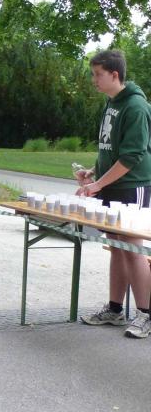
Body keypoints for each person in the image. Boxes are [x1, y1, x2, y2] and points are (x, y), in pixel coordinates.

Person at [75, 49, 151, 338]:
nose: (94, 80)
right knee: (116, 248)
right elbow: (109, 149)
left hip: (133, 186)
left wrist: (96, 186)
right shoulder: (111, 103)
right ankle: (115, 310)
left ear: (114, 74)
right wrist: (93, 172)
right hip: (112, 186)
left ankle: (146, 315)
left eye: (98, 74)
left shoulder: (136, 106)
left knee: (134, 250)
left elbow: (131, 156)